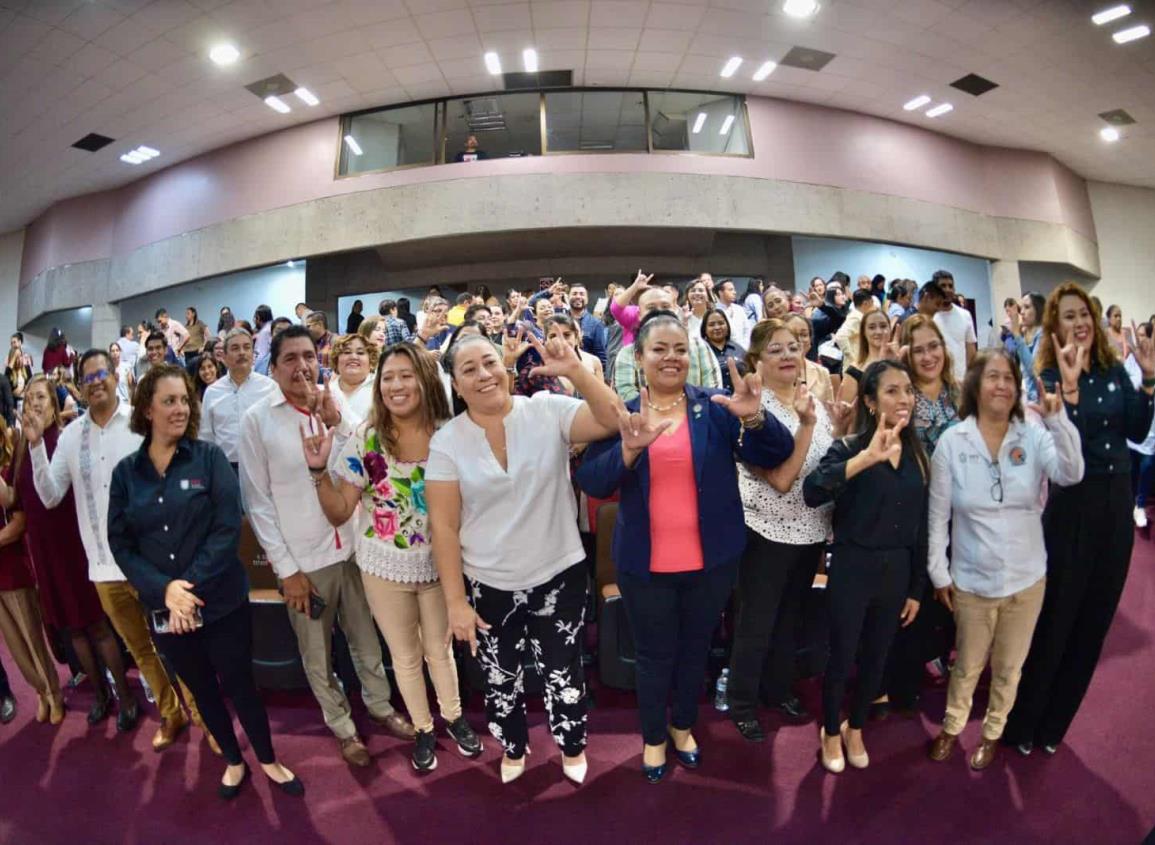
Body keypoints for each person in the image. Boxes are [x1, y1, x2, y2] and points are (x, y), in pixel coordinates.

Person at [577, 311, 793, 780]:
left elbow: (776, 452)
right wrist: (629, 451)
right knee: (655, 657)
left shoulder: (715, 407)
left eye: (679, 349)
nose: (670, 358)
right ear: (639, 358)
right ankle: (654, 738)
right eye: (659, 349)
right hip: (645, 565)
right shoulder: (622, 413)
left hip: (710, 562)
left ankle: (682, 727)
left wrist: (755, 416)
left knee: (695, 650)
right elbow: (592, 480)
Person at [426, 332, 628, 785]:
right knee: (500, 678)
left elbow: (615, 420)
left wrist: (577, 371)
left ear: (506, 366)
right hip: (488, 583)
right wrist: (456, 603)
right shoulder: (447, 443)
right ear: (455, 386)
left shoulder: (545, 409)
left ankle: (572, 745)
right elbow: (444, 527)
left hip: (558, 572)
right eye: (469, 369)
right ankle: (513, 746)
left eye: (489, 363)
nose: (483, 375)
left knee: (564, 672)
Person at [108, 365, 302, 799]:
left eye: (184, 401)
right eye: (169, 401)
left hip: (220, 602)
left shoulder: (209, 458)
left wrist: (185, 588)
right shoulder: (125, 474)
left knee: (239, 684)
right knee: (201, 688)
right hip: (167, 613)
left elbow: (227, 527)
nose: (180, 409)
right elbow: (121, 545)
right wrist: (165, 592)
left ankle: (268, 759)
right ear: (146, 410)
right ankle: (234, 760)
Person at [239, 326, 416, 768]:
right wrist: (286, 570)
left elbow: (371, 455)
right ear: (274, 367)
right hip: (305, 560)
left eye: (307, 356)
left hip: (355, 550)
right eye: (290, 359)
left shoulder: (334, 405)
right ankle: (343, 728)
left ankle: (380, 708)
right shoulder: (257, 420)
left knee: (367, 642)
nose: (301, 366)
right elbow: (258, 503)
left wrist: (338, 420)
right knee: (316, 655)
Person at [305, 343, 482, 773]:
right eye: (388, 377)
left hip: (440, 565)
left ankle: (454, 718)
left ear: (424, 379)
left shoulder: (451, 432)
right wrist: (317, 473)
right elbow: (341, 511)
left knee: (440, 651)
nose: (396, 385)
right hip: (384, 567)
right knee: (404, 656)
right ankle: (423, 726)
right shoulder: (367, 436)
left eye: (406, 375)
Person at [26, 350, 209, 749]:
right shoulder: (73, 436)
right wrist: (37, 445)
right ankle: (171, 712)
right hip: (104, 568)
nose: (95, 381)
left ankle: (204, 717)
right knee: (141, 650)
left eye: (101, 373)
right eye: (87, 377)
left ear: (114, 377)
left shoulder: (142, 423)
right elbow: (51, 496)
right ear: (79, 385)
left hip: (152, 564)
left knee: (177, 644)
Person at [1004, 283, 1155, 756]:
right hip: (1072, 504)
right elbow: (1055, 444)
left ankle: (1054, 727)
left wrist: (1149, 381)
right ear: (1054, 327)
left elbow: (1135, 429)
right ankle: (1022, 723)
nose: (1079, 322)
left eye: (1083, 313)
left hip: (1115, 502)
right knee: (1057, 617)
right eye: (1068, 316)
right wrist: (1067, 391)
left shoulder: (1114, 371)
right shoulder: (1048, 373)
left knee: (1095, 618)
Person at [927, 350, 1084, 770]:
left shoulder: (1032, 433)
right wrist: (939, 574)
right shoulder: (951, 441)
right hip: (972, 581)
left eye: (1009, 378)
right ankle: (953, 726)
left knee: (1010, 668)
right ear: (975, 385)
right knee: (967, 666)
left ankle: (993, 731)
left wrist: (1059, 420)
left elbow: (1072, 473)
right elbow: (938, 515)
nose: (1002, 385)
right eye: (992, 376)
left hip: (1027, 577)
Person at [804, 360, 928, 773]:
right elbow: (812, 492)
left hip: (897, 569)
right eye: (892, 391)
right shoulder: (850, 448)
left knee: (877, 656)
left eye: (908, 389)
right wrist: (865, 459)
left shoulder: (917, 452)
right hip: (853, 566)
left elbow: (921, 525)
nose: (904, 398)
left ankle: (856, 726)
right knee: (842, 656)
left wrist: (916, 588)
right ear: (871, 402)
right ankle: (831, 731)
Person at [726, 320, 839, 742]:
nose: (788, 355)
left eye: (794, 347)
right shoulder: (753, 408)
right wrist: (808, 428)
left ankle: (778, 689)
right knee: (756, 621)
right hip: (765, 530)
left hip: (811, 529)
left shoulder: (815, 402)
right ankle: (742, 702)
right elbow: (778, 478)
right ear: (757, 360)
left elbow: (826, 461)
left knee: (790, 618)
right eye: (776, 350)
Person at [0, 375, 133, 728]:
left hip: (73, 546)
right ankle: (100, 694)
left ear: (54, 404)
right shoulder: (22, 449)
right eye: (28, 399)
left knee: (96, 624)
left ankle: (126, 694)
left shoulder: (66, 439)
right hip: (43, 553)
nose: (34, 404)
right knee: (72, 630)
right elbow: (14, 498)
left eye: (41, 397)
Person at [0, 416, 63, 725]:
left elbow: (17, 523)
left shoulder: (8, 474)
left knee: (32, 637)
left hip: (14, 570)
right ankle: (40, 691)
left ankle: (53, 692)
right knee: (14, 644)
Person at [613, 286, 722, 402]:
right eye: (651, 308)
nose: (660, 312)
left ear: (675, 309)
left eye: (666, 307)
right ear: (639, 314)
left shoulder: (699, 345)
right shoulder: (627, 353)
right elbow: (627, 397)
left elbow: (712, 391)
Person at [200, 328, 279, 471]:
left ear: (252, 353)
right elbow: (206, 437)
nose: (242, 352)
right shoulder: (212, 392)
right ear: (224, 356)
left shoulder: (270, 388)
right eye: (235, 348)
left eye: (247, 347)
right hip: (224, 468)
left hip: (263, 466)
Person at [902, 315, 960, 456]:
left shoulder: (961, 389)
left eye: (933, 346)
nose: (927, 357)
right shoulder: (902, 399)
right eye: (918, 351)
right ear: (906, 355)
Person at [838, 310, 893, 407]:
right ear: (864, 332)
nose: (878, 332)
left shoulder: (902, 360)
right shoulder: (854, 371)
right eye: (872, 327)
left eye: (883, 326)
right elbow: (844, 412)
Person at [930, 270, 976, 382]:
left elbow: (971, 351)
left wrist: (970, 379)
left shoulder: (965, 315)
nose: (947, 289)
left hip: (960, 381)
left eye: (950, 286)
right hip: (935, 382)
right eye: (943, 286)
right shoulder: (929, 317)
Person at [544, 314, 603, 391]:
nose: (561, 340)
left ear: (576, 338)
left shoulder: (594, 361)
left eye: (566, 335)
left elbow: (604, 400)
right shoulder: (539, 367)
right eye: (553, 336)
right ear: (545, 340)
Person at [329, 334, 377, 430]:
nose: (353, 357)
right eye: (347, 352)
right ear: (336, 360)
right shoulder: (327, 392)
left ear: (371, 361)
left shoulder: (380, 389)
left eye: (360, 353)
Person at [785, 313, 834, 404]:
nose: (799, 340)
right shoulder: (770, 373)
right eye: (792, 334)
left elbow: (829, 414)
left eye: (804, 335)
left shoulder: (822, 373)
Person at [1008, 292, 1046, 402]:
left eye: (1027, 307)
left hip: (1041, 401)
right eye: (1021, 308)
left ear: (1039, 310)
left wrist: (1016, 333)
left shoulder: (1044, 335)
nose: (1022, 312)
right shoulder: (1026, 335)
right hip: (1029, 398)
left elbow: (1035, 370)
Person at [701, 310, 746, 393]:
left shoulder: (738, 349)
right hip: (712, 402)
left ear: (727, 326)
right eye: (711, 325)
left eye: (721, 323)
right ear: (704, 329)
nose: (717, 327)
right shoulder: (701, 352)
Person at [567, 284, 608, 370]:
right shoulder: (560, 320)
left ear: (587, 299)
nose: (578, 296)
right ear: (568, 297)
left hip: (588, 372)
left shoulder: (596, 324)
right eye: (574, 294)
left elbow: (601, 356)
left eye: (582, 294)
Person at [833, 288, 876, 367]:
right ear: (866, 303)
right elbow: (840, 337)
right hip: (854, 367)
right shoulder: (856, 318)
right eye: (872, 303)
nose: (874, 306)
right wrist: (853, 358)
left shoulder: (860, 317)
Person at [715, 279, 752, 349]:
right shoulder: (714, 311)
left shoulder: (739, 309)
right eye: (730, 290)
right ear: (720, 293)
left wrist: (744, 347)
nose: (734, 292)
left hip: (743, 349)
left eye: (734, 290)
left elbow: (747, 330)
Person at [5, 334, 33, 402]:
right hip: (14, 401)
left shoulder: (26, 367)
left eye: (14, 342)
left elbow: (31, 384)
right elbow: (6, 378)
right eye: (11, 343)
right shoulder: (9, 369)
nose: (13, 345)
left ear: (20, 342)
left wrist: (23, 390)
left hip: (25, 400)